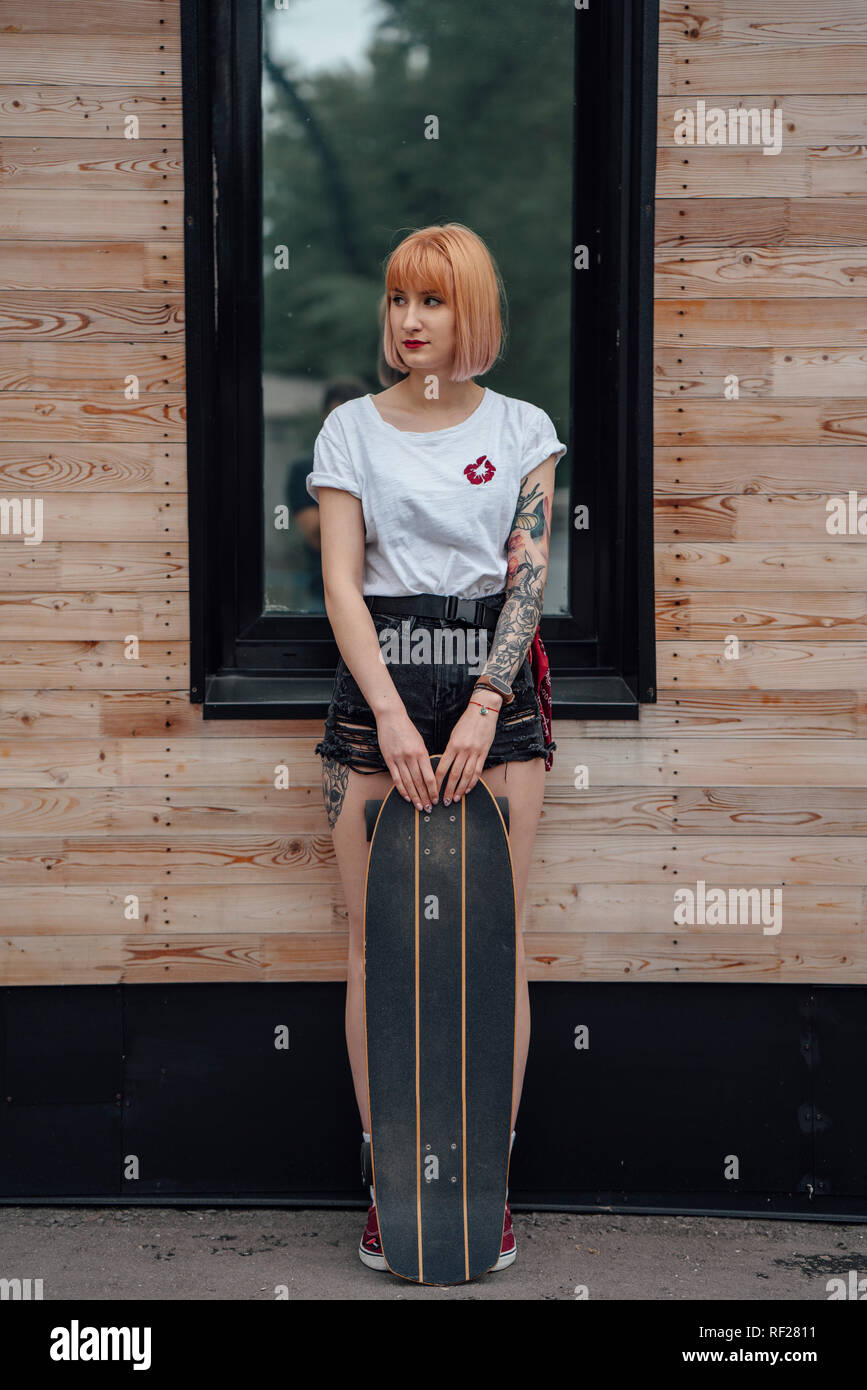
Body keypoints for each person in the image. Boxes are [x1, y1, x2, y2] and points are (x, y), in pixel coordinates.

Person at [306, 222, 567, 1273]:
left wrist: (481, 699)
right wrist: (395, 716)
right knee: (381, 949)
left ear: (472, 313)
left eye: (435, 301)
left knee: (491, 944)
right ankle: (392, 1189)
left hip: (494, 698)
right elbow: (339, 583)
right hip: (379, 692)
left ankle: (484, 1190)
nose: (411, 322)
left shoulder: (523, 429)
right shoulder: (348, 431)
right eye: (399, 301)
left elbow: (528, 576)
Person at [285, 379, 369, 609]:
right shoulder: (305, 467)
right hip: (325, 593)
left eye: (351, 418)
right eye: (336, 417)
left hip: (380, 591)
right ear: (324, 417)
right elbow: (316, 535)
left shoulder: (377, 464)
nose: (344, 426)